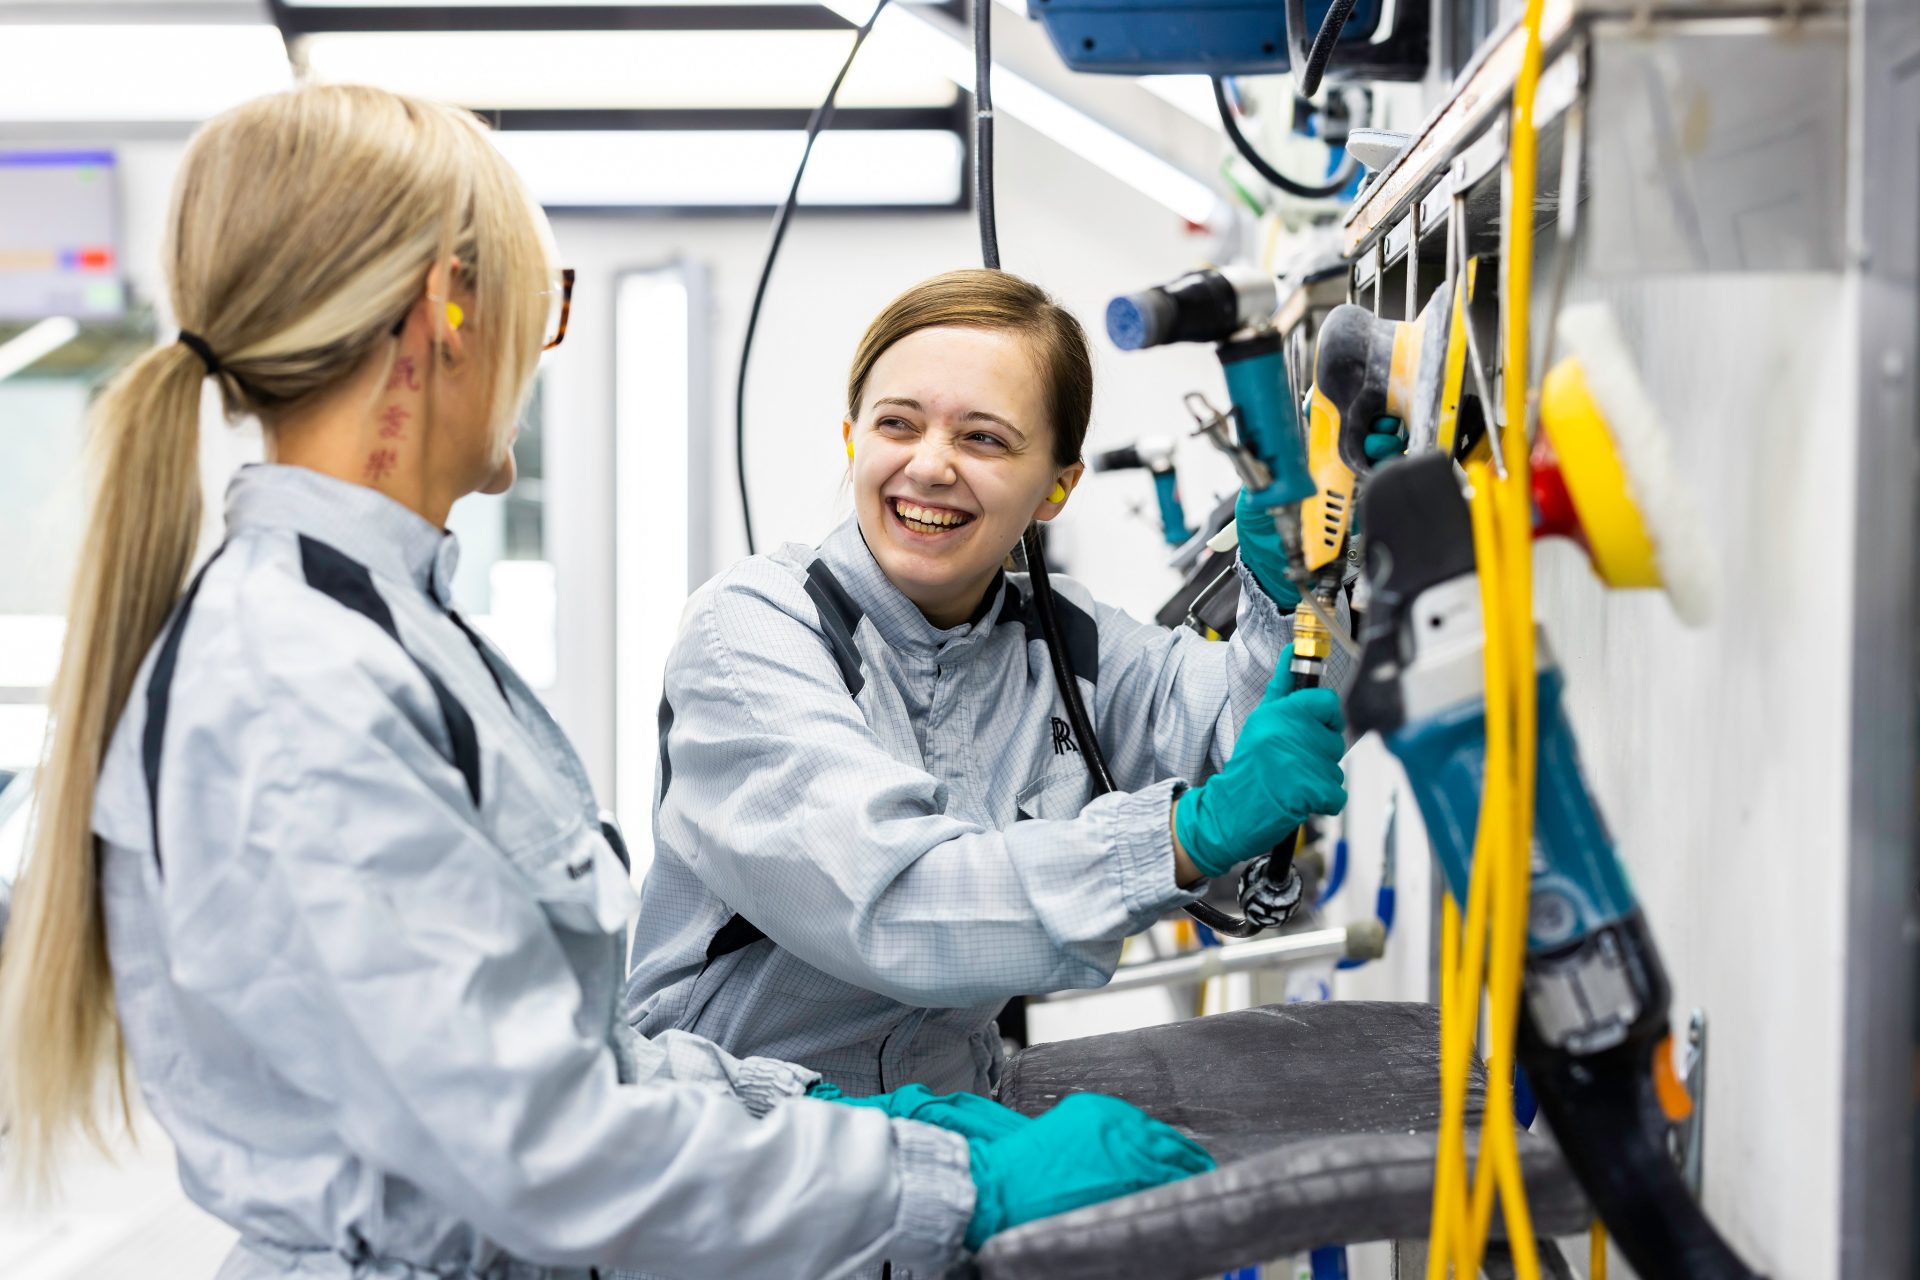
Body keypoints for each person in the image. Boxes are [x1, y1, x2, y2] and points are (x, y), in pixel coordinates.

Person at [0, 87, 1213, 1280]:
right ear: (449, 312)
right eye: (546, 304)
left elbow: (590, 1057)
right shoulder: (301, 686)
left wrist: (876, 1125)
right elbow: (546, 1145)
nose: (541, 351)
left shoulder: (386, 634)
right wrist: (938, 1180)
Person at [626, 269, 1351, 1098]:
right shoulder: (753, 628)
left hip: (956, 1105)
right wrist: (1179, 839)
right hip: (736, 1128)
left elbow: (1244, 736)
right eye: (897, 424)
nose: (930, 466)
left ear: (1057, 486)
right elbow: (895, 906)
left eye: (984, 439)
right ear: (852, 438)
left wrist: (1286, 591)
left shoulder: (1066, 641)